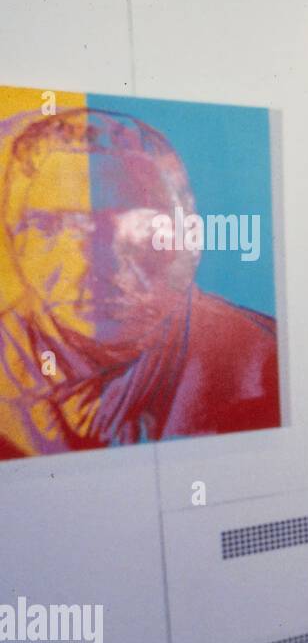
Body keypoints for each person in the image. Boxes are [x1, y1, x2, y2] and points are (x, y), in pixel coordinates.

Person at [0, 107, 279, 459]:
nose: (88, 265)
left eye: (135, 227)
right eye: (49, 227)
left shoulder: (264, 360)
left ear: (189, 237)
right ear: (15, 240)